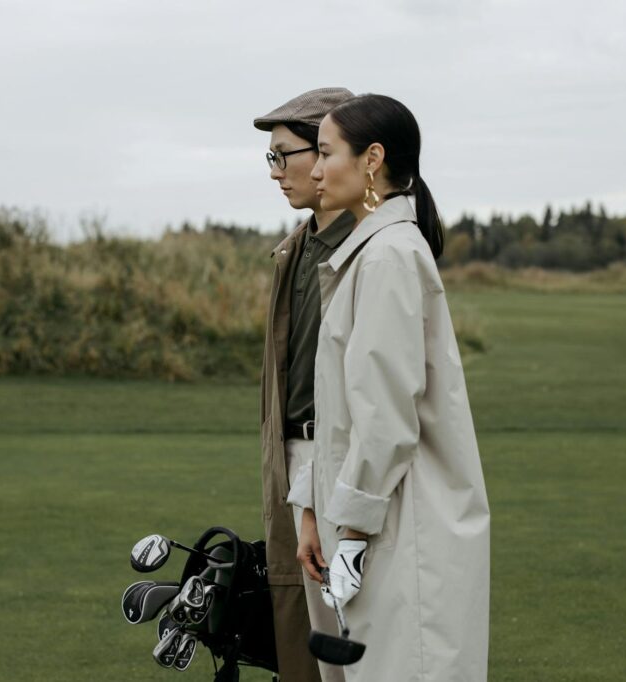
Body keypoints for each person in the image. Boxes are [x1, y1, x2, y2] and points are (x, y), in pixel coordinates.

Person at [293, 94, 491, 681]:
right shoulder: (372, 252)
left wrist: (352, 534)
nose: (315, 169)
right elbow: (342, 413)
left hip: (403, 530)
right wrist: (314, 506)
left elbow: (384, 417)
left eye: (326, 153)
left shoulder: (387, 256)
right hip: (382, 524)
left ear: (372, 159)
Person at [253, 87, 355, 682]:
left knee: (355, 635)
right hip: (293, 458)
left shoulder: (371, 248)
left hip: (341, 460)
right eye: (270, 158)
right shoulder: (294, 248)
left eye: (281, 156)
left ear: (327, 152)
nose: (275, 172)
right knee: (305, 635)